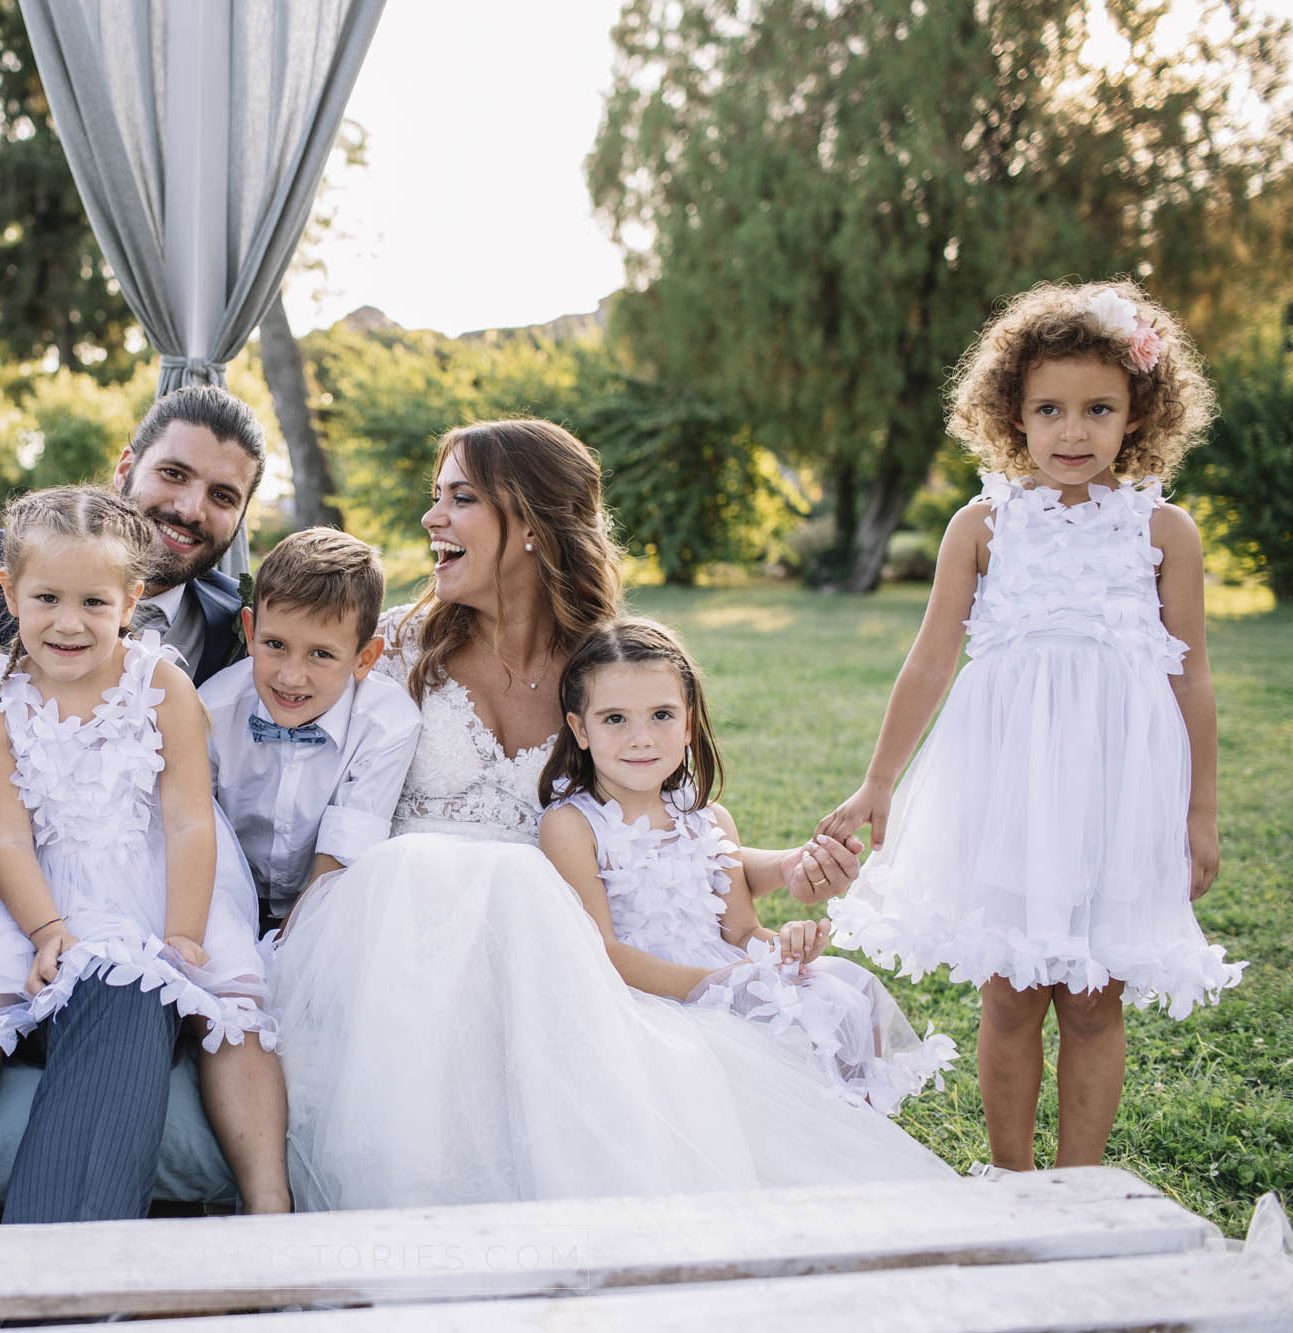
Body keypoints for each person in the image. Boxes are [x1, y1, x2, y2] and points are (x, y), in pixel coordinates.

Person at [270, 419, 952, 1212]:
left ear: (528, 523)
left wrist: (784, 866)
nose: (433, 519)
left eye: (460, 498)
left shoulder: (609, 669)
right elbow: (308, 777)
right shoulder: (393, 649)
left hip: (552, 941)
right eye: (437, 497)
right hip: (402, 931)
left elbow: (660, 825)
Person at [820, 280, 1245, 1172]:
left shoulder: (1166, 532)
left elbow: (1192, 675)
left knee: (1094, 999)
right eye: (1048, 409)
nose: (1072, 431)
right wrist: (880, 779)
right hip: (1009, 784)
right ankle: (1010, 1179)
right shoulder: (982, 525)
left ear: (1140, 413)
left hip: (1116, 787)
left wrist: (1198, 812)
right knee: (1011, 993)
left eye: (1099, 408)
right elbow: (931, 660)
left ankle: (1076, 1184)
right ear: (1011, 412)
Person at [0, 485, 280, 1226]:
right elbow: (4, 836)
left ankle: (268, 1198)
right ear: (8, 591)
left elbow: (191, 819)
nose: (69, 624)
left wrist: (187, 929)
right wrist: (44, 930)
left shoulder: (160, 681)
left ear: (131, 601)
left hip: (161, 872)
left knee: (229, 1010)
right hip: (37, 882)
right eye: (46, 598)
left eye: (95, 604)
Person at [538, 618, 956, 1115]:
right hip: (646, 993)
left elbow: (740, 930)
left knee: (841, 990)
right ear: (579, 730)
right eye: (614, 719)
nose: (641, 738)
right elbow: (600, 951)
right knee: (757, 1029)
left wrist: (782, 951)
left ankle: (853, 1121)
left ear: (689, 723)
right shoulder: (571, 825)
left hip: (725, 971)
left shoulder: (708, 818)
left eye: (662, 715)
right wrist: (719, 986)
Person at [0, 384, 266, 685]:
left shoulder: (247, 622)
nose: (191, 510)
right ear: (125, 470)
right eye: (173, 474)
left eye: (222, 496)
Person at [198, 527, 421, 928]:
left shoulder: (387, 725)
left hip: (327, 901)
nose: (291, 676)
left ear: (364, 658)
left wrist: (286, 948)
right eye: (275, 645)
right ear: (250, 633)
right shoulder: (213, 708)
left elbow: (341, 858)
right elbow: (196, 832)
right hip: (222, 892)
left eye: (321, 654)